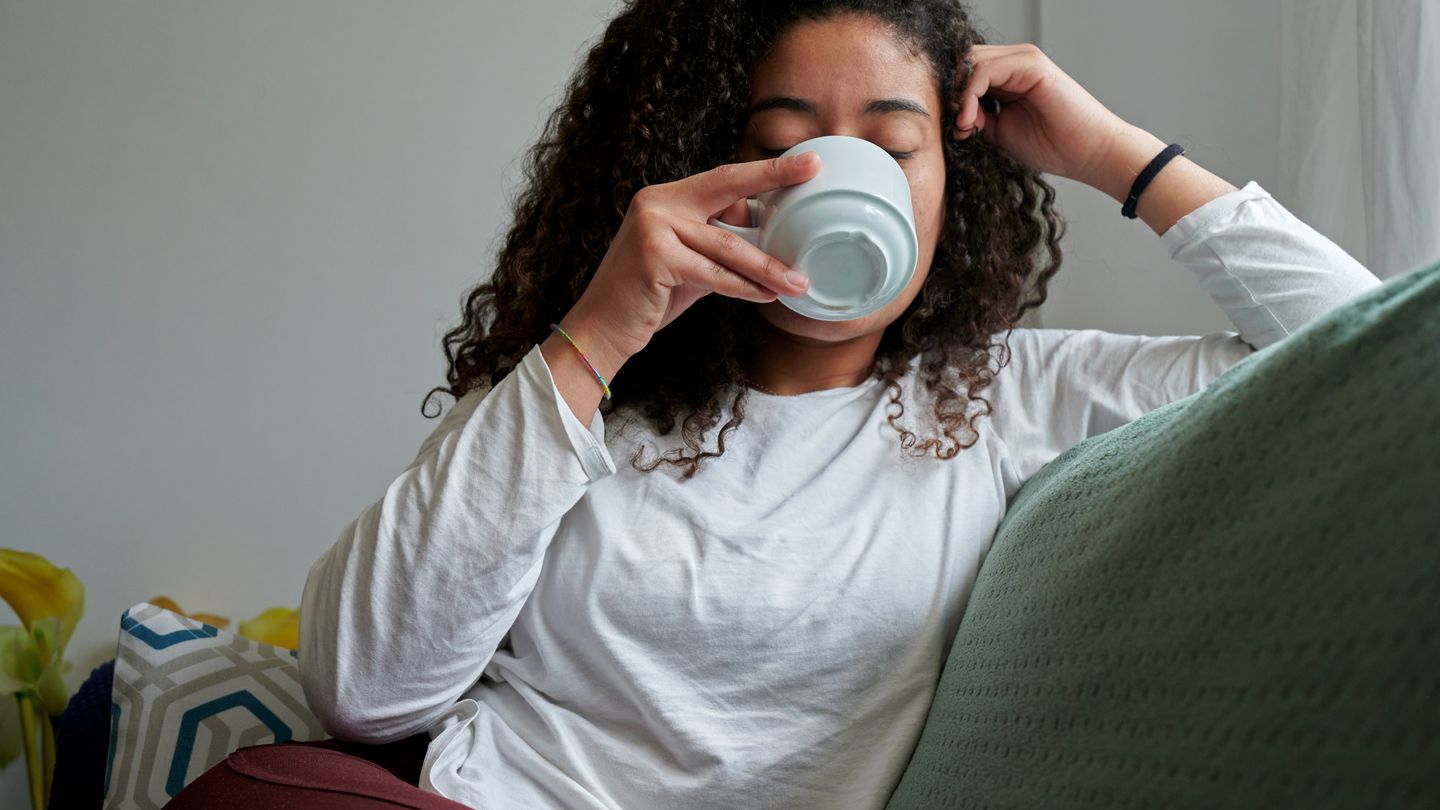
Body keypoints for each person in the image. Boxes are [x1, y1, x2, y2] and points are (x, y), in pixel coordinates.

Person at [170, 0, 1381, 807]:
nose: (834, 177)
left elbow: (1377, 361)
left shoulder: (1004, 396)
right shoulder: (587, 393)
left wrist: (1119, 152)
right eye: (783, 142)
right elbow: (364, 691)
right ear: (708, 170)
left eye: (893, 144)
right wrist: (597, 329)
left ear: (951, 180)